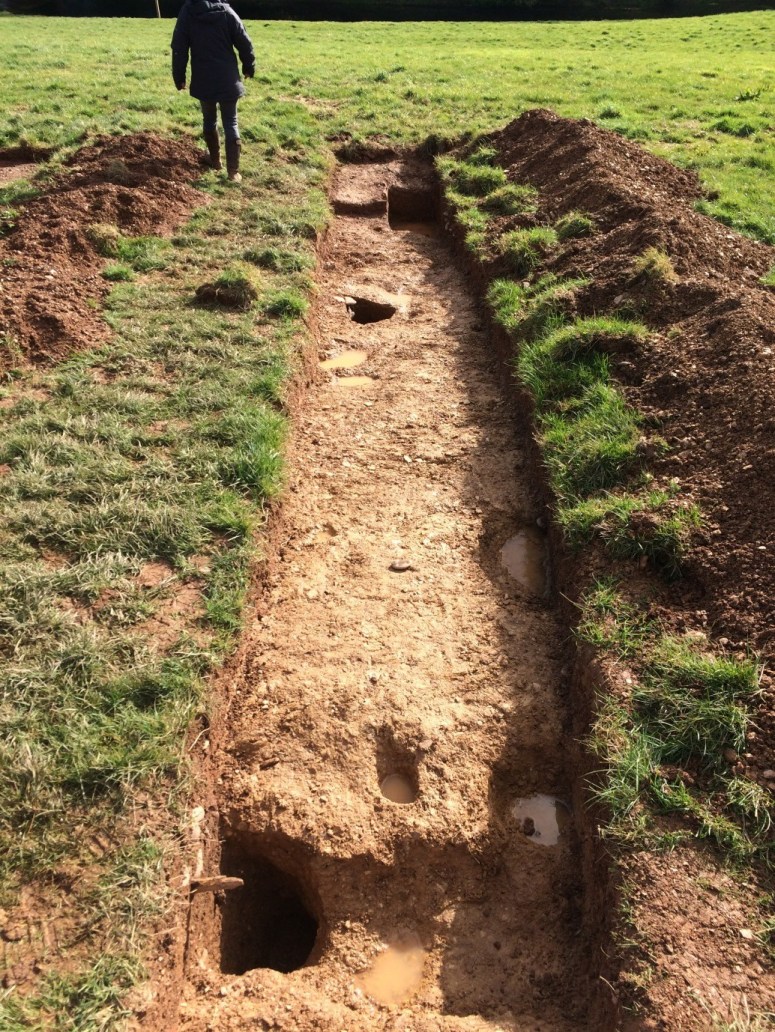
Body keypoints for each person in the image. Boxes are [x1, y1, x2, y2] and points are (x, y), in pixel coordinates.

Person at [171, 0, 255, 183]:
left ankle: (215, 161)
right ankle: (233, 172)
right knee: (231, 122)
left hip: (203, 78)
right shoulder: (226, 11)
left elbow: (179, 47)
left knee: (209, 119)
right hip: (228, 79)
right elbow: (244, 40)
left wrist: (179, 77)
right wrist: (249, 66)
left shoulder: (187, 12)